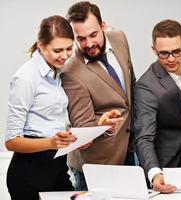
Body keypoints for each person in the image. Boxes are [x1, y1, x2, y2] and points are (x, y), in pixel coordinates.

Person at [62, 1, 136, 191]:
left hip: (130, 151)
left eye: (93, 34)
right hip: (96, 164)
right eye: (81, 38)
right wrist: (102, 124)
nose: (89, 44)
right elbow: (82, 127)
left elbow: (131, 87)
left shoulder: (119, 38)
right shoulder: (71, 71)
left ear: (103, 26)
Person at [5, 15, 76, 200]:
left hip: (57, 169)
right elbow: (11, 141)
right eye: (58, 50)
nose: (65, 55)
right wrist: (50, 143)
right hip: (29, 175)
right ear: (41, 46)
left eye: (69, 48)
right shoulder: (26, 78)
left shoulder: (56, 72)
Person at [134, 19, 181, 193]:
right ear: (153, 50)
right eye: (163, 53)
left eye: (177, 52)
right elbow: (144, 137)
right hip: (169, 168)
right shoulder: (146, 86)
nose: (171, 59)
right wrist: (155, 173)